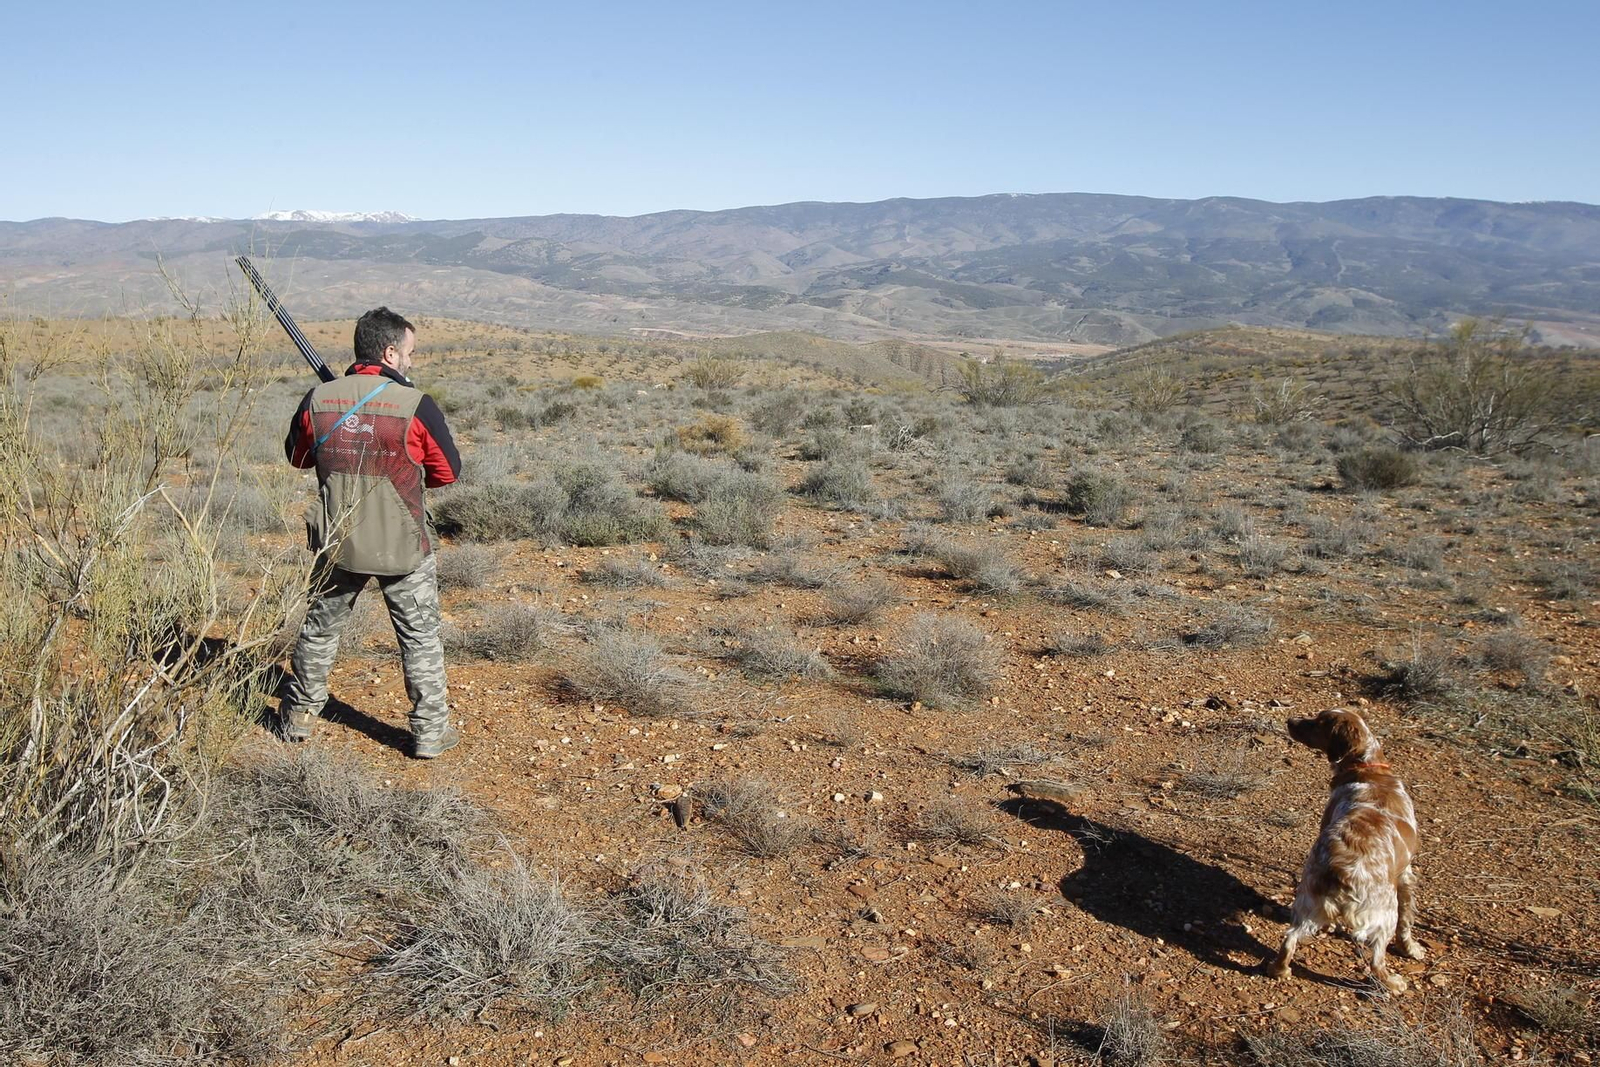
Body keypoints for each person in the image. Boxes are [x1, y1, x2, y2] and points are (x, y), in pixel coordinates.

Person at [280, 307, 463, 758]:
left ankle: (300, 716)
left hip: (337, 541)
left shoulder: (317, 400)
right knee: (419, 637)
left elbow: (298, 458)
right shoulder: (414, 405)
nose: (411, 361)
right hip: (404, 545)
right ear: (389, 352)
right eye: (409, 352)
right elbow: (447, 473)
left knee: (319, 631)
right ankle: (430, 733)